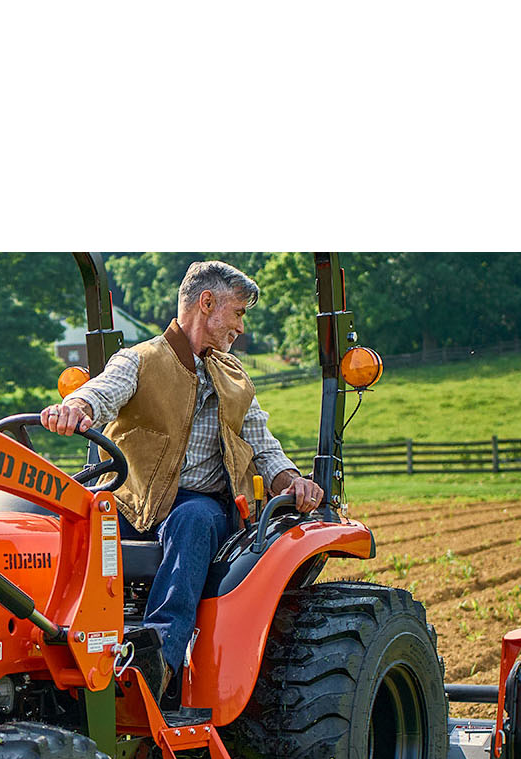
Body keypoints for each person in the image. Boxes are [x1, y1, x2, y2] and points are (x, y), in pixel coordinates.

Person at [40, 260, 324, 701]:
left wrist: (291, 480)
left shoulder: (235, 378)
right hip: (135, 503)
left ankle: (157, 663)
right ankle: (54, 649)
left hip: (202, 506)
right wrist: (75, 408)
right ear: (206, 303)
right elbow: (100, 392)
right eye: (238, 313)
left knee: (191, 520)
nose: (240, 327)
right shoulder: (140, 361)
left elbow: (262, 445)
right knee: (61, 521)